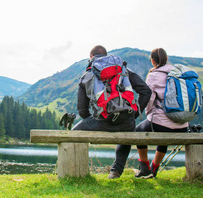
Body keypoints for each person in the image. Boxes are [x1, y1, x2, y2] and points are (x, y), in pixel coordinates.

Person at [72, 45, 151, 179]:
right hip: (127, 121)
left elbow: (82, 110)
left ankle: (75, 171)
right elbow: (146, 91)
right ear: (106, 56)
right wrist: (134, 114)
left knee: (73, 134)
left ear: (91, 57)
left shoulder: (87, 75)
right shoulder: (123, 70)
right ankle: (116, 171)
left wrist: (96, 118)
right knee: (127, 132)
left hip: (102, 120)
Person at [134, 48, 189, 179]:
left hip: (161, 122)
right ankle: (154, 168)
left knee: (138, 131)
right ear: (167, 59)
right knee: (163, 135)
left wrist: (150, 114)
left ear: (153, 61)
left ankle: (144, 167)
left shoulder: (154, 75)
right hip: (183, 125)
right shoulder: (179, 74)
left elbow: (149, 99)